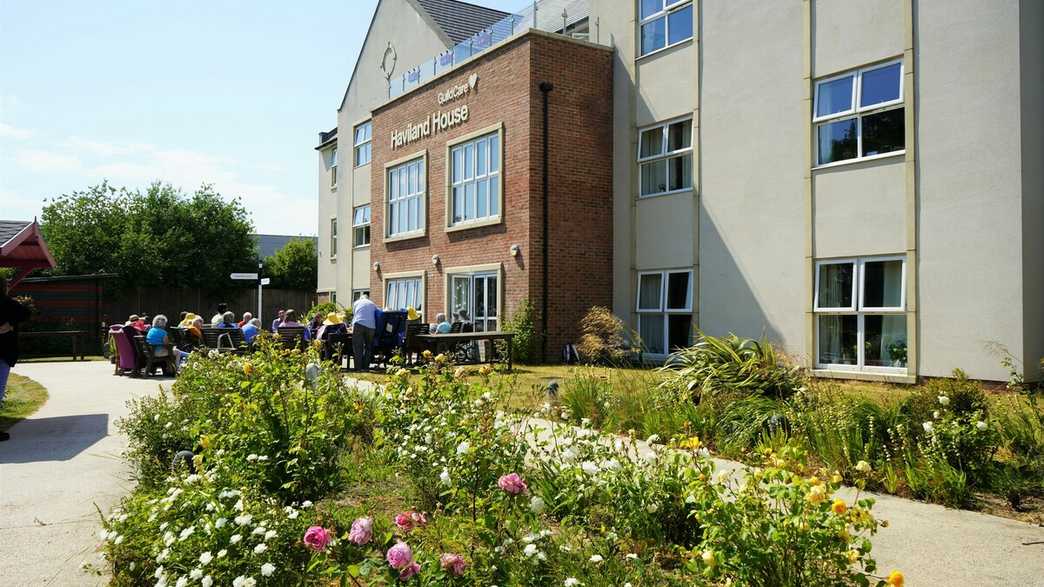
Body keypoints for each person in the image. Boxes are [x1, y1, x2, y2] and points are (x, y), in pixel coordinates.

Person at [0, 277, 30, 442]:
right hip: (4, 352)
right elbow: (26, 313)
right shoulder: (7, 303)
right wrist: (10, 324)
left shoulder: (7, 303)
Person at [351, 294, 377, 371]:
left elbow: (355, 314)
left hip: (359, 324)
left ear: (360, 298)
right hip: (371, 326)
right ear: (368, 298)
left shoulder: (356, 303)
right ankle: (366, 367)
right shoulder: (372, 304)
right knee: (368, 347)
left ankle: (358, 368)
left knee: (358, 346)